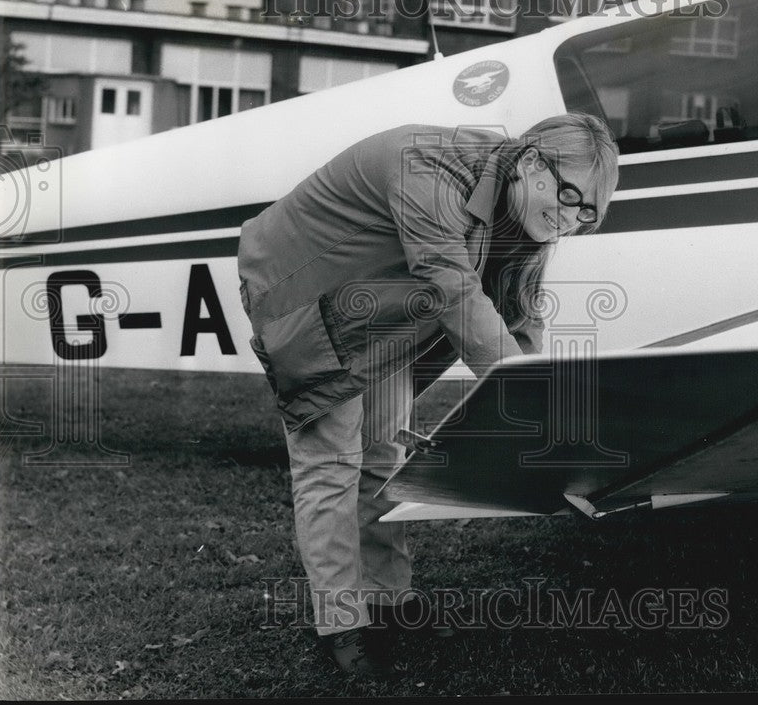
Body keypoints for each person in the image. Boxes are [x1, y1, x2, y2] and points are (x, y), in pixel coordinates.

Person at [237, 113, 619, 677]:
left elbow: (520, 310)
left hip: (382, 306)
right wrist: (533, 406)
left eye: (586, 213)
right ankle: (341, 621)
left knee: (384, 453)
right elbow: (453, 289)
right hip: (301, 287)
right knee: (331, 463)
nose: (569, 220)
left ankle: (388, 598)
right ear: (533, 162)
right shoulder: (428, 165)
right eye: (568, 197)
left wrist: (555, 416)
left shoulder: (524, 203)